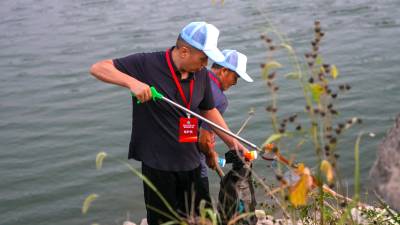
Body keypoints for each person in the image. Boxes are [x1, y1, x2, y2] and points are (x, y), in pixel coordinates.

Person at [89, 21, 248, 225]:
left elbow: (208, 110)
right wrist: (133, 82)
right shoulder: (146, 64)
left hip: (191, 164)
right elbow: (98, 68)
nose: (205, 64)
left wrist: (233, 142)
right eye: (203, 58)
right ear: (183, 51)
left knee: (205, 220)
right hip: (159, 167)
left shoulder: (200, 75)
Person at [197, 49, 254, 201]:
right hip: (192, 160)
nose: (235, 83)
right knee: (199, 208)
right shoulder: (219, 99)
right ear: (224, 71)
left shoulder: (195, 77)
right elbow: (203, 139)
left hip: (166, 152)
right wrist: (210, 155)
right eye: (235, 77)